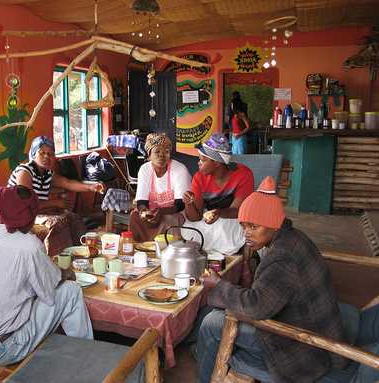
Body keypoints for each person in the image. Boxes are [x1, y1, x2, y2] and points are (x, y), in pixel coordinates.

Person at [197, 176, 348, 382]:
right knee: (218, 312)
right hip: (311, 324)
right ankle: (210, 353)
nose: (246, 234)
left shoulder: (282, 257)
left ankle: (205, 376)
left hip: (302, 348)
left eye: (253, 227)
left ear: (274, 225)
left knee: (211, 323)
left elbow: (257, 307)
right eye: (243, 226)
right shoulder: (294, 237)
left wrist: (218, 285)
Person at [0, 185, 93, 365]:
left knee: (29, 291)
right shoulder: (28, 245)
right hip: (4, 350)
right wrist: (66, 273)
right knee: (71, 291)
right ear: (32, 214)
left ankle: (74, 348)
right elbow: (48, 294)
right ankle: (86, 354)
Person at [8, 136, 104, 256]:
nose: (46, 157)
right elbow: (27, 205)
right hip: (20, 216)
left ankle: (81, 254)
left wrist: (91, 187)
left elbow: (67, 183)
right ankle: (56, 259)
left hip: (36, 213)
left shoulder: (47, 173)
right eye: (42, 153)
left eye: (50, 154)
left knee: (74, 218)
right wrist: (56, 203)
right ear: (33, 153)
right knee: (58, 223)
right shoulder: (25, 172)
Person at [182, 133, 253, 255]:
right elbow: (195, 217)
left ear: (217, 163)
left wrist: (219, 213)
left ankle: (230, 262)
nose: (198, 163)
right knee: (191, 229)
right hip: (208, 218)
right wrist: (189, 204)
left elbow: (237, 210)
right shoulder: (199, 178)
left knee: (222, 227)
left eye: (203, 160)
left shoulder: (243, 174)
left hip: (232, 218)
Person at [128, 133, 191, 242]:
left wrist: (161, 212)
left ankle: (168, 249)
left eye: (166, 152)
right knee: (135, 216)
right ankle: (141, 247)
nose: (161, 155)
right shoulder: (145, 169)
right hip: (153, 212)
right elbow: (141, 201)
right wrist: (144, 212)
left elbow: (180, 204)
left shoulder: (179, 169)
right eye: (157, 152)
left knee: (169, 219)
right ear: (149, 155)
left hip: (175, 213)